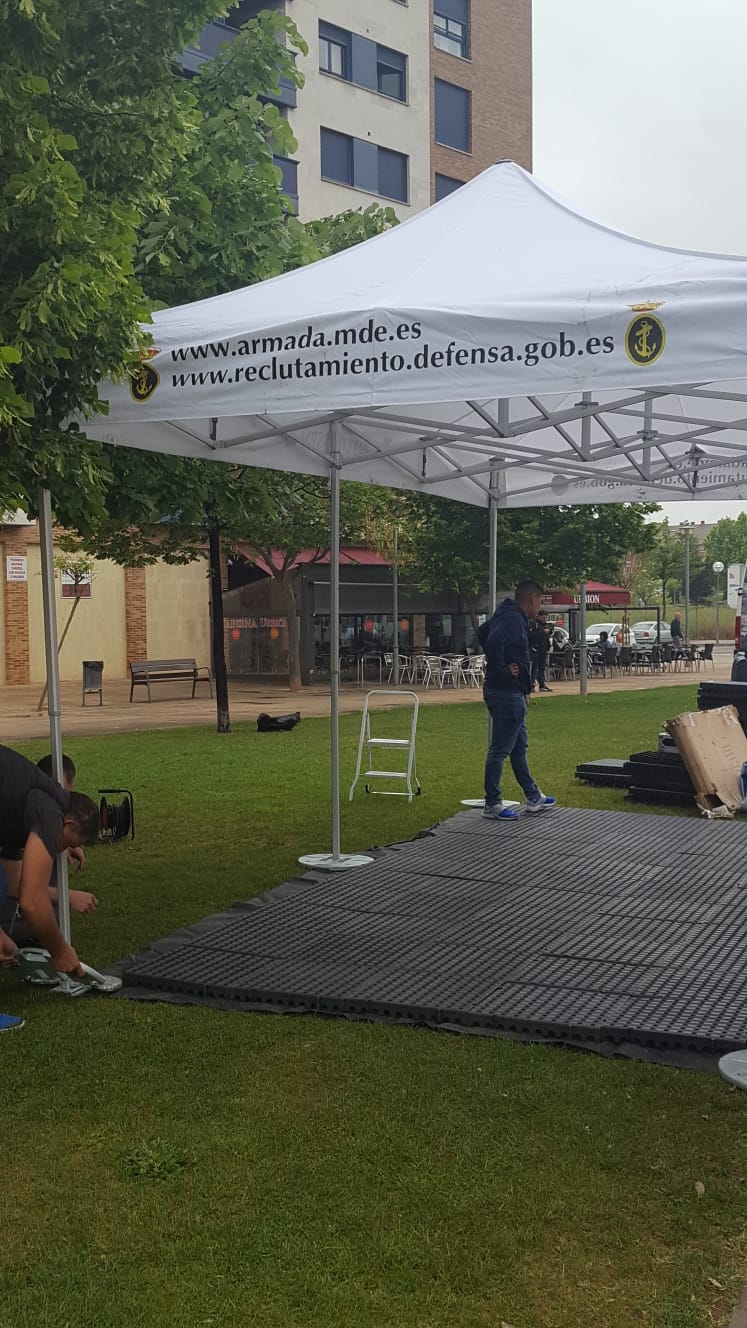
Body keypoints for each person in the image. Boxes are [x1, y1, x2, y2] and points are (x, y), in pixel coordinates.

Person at [0, 745, 100, 980]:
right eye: (66, 844)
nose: (62, 850)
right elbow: (32, 901)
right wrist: (61, 950)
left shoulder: (25, 807)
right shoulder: (48, 812)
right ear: (66, 823)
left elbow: (13, 883)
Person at [476, 580, 557, 821]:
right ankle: (492, 802)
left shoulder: (505, 613)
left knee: (519, 746)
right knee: (500, 749)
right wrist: (503, 669)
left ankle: (533, 796)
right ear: (532, 599)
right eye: (540, 601)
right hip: (507, 692)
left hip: (509, 691)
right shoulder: (512, 619)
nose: (539, 606)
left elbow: (483, 633)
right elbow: (492, 642)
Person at [529, 609, 553, 693]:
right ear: (538, 616)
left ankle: (542, 685)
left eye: (545, 618)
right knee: (534, 668)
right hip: (535, 648)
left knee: (542, 668)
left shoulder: (545, 625)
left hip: (544, 649)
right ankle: (531, 685)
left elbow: (547, 635)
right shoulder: (533, 624)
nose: (544, 619)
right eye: (543, 617)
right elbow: (531, 635)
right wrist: (543, 632)